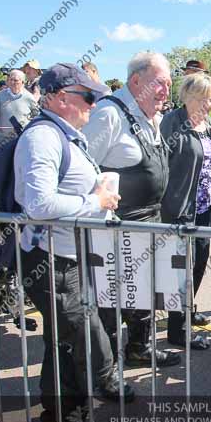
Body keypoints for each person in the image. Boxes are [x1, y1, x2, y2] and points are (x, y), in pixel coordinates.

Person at [13, 63, 129, 422]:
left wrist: (97, 195)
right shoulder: (43, 137)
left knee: (63, 343)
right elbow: (39, 204)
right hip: (51, 260)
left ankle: (61, 421)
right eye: (88, 97)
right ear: (62, 98)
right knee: (81, 343)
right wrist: (96, 201)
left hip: (64, 258)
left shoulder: (61, 134)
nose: (94, 105)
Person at [83, 51, 180, 368]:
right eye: (160, 83)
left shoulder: (152, 115)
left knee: (145, 293)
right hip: (115, 229)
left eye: (169, 84)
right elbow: (81, 168)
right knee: (110, 304)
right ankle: (106, 371)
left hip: (148, 222)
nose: (166, 91)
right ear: (136, 81)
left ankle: (140, 348)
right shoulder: (109, 115)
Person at [160, 73, 211, 350]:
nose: (207, 104)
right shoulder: (172, 122)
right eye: (201, 98)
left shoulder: (206, 124)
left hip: (204, 208)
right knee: (182, 269)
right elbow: (161, 164)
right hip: (180, 208)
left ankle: (187, 310)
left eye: (210, 99)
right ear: (186, 97)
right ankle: (178, 330)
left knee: (199, 262)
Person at [0, 69, 39, 149]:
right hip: (3, 141)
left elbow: (36, 117)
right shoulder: (1, 95)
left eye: (16, 80)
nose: (12, 82)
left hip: (22, 140)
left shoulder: (29, 97)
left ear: (22, 82)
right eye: (11, 80)